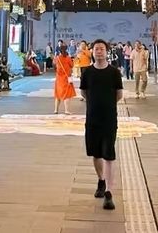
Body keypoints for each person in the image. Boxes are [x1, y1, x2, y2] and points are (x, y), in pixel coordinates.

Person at [79, 39, 123, 211]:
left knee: (109, 154)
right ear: (92, 52)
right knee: (96, 154)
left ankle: (109, 194)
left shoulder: (114, 72)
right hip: (92, 120)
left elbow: (119, 94)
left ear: (107, 52)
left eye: (102, 49)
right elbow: (84, 92)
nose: (99, 52)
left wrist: (107, 104)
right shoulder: (87, 73)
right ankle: (101, 180)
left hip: (109, 119)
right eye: (96, 49)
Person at [53, 44, 76, 115]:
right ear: (66, 49)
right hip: (66, 78)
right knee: (67, 94)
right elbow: (72, 65)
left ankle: (56, 110)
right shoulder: (68, 58)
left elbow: (54, 66)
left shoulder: (57, 58)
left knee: (57, 94)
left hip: (58, 79)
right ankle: (66, 110)